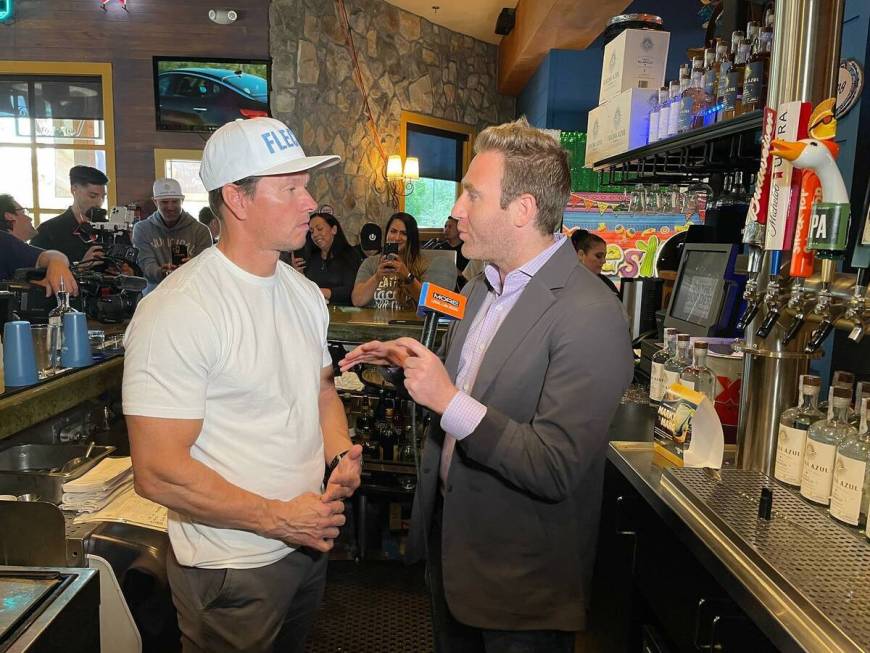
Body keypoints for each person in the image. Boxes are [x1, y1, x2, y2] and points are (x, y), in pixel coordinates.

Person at [341, 118, 633, 652]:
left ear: (523, 209)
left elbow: (554, 465)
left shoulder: (591, 312)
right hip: (453, 555)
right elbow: (469, 390)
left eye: (472, 195)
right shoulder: (480, 288)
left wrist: (446, 398)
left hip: (520, 589)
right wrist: (410, 364)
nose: (456, 211)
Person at [123, 116, 362, 653]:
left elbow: (321, 390)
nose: (311, 203)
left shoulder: (301, 291)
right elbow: (158, 472)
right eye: (291, 188)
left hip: (304, 545)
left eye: (307, 186)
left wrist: (340, 452)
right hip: (232, 566)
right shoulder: (181, 309)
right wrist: (279, 519)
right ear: (237, 198)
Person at [351, 212, 457, 310]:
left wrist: (407, 277)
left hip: (408, 328)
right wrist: (377, 277)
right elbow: (357, 300)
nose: (397, 237)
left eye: (403, 233)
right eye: (393, 231)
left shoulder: (425, 264)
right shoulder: (371, 263)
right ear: (386, 234)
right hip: (374, 327)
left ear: (411, 237)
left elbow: (431, 304)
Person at [132, 178, 213, 295]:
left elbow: (206, 270)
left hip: (189, 296)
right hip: (154, 297)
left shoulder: (200, 231)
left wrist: (192, 266)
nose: (170, 207)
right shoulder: (142, 229)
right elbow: (146, 265)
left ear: (182, 200)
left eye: (175, 201)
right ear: (155, 202)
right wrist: (161, 272)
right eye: (164, 202)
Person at [0, 194, 78, 295]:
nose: (30, 218)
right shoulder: (4, 242)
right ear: (9, 216)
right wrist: (57, 262)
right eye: (23, 212)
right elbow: (49, 256)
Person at [30, 165, 108, 264]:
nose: (99, 202)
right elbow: (35, 274)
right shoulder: (48, 231)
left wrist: (128, 271)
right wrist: (81, 267)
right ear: (74, 189)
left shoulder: (113, 229)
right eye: (93, 196)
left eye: (103, 197)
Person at [290, 211, 361, 305]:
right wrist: (299, 275)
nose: (315, 235)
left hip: (343, 315)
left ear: (334, 230)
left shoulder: (350, 255)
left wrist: (321, 292)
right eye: (311, 231)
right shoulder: (311, 258)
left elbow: (352, 290)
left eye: (319, 229)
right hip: (315, 312)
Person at [571, 228, 619, 295]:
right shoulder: (566, 282)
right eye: (598, 256)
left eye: (604, 256)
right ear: (581, 254)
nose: (603, 261)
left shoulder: (607, 284)